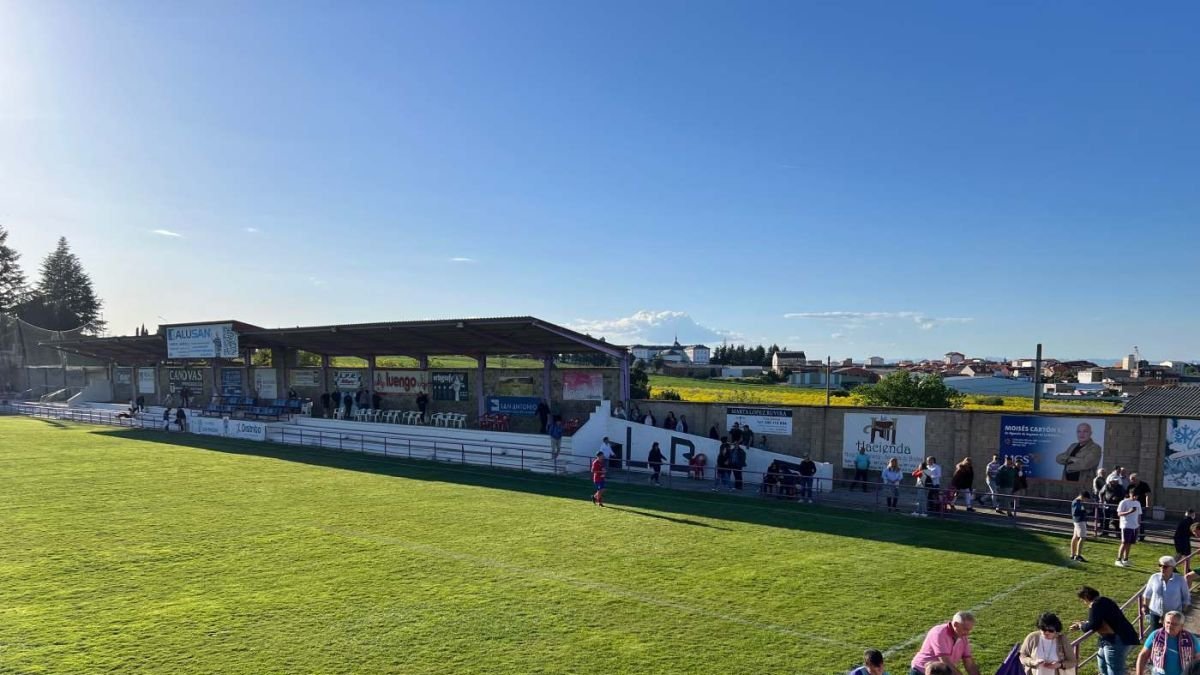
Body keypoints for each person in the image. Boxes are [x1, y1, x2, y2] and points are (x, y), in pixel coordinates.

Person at [1071, 585, 1139, 675]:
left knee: (1114, 671)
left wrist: (1081, 625)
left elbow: (1092, 625)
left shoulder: (1095, 605)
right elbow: (1097, 620)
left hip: (1115, 641)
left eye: (1083, 600)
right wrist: (1086, 623)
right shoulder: (1104, 600)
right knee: (1103, 666)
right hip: (1117, 638)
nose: (1084, 603)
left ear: (1086, 597)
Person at [909, 611, 981, 675]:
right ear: (955, 624)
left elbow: (969, 663)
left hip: (940, 671)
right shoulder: (939, 633)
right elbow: (946, 662)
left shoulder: (962, 636)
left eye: (969, 630)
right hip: (922, 671)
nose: (967, 633)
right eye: (965, 629)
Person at [1136, 610, 1195, 675]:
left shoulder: (1191, 638)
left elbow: (1198, 659)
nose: (1170, 626)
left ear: (1181, 626)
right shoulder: (1155, 635)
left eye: (1174, 624)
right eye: (1168, 622)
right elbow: (1143, 655)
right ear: (1164, 623)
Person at [1143, 556, 1192, 634]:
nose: (1162, 568)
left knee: (1171, 636)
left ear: (1172, 567)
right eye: (1160, 565)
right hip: (1155, 614)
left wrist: (1182, 613)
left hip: (1173, 616)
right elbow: (1147, 594)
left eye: (1165, 566)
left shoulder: (1180, 579)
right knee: (1155, 635)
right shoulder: (1154, 577)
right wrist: (1145, 609)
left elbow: (1186, 597)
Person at [1117, 487, 1144, 567]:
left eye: (1136, 496)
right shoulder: (1124, 502)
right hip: (1126, 525)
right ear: (1130, 494)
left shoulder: (1138, 503)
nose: (1135, 497)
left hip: (1134, 526)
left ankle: (1125, 559)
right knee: (1124, 542)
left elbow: (1139, 515)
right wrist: (1129, 512)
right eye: (1133, 495)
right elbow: (1119, 514)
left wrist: (1138, 525)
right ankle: (1118, 559)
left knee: (1129, 543)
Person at [1130, 472, 1153, 542]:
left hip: (1141, 506)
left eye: (1132, 479)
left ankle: (1141, 536)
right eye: (1131, 479)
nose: (1131, 481)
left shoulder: (1144, 485)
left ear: (1136, 479)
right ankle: (1133, 535)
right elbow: (1127, 495)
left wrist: (1147, 505)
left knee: (1141, 521)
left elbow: (1147, 495)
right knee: (1133, 521)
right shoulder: (1131, 486)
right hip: (1132, 506)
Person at [1071, 490, 1092, 562]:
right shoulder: (1076, 502)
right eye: (1086, 498)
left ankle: (1073, 554)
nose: (1086, 500)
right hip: (1079, 521)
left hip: (1077, 521)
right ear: (1082, 496)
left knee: (1075, 537)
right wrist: (1084, 512)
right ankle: (1078, 555)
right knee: (1082, 537)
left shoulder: (1078, 502)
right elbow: (1075, 512)